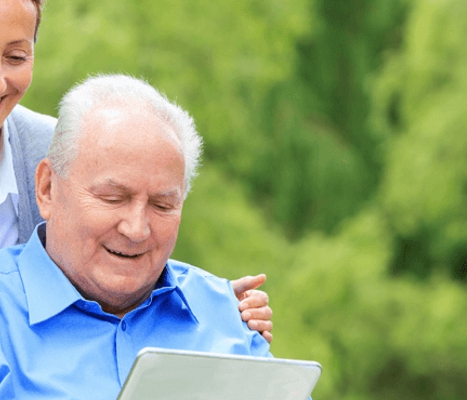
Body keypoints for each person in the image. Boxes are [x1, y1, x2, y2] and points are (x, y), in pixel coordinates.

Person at [0, 74, 327, 400]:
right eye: (113, 198)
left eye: (162, 205)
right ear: (48, 188)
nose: (137, 229)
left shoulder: (224, 313)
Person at [0, 0, 273, 340]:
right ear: (47, 187)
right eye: (113, 197)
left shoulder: (61, 143)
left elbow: (123, 249)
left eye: (15, 58)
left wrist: (204, 310)